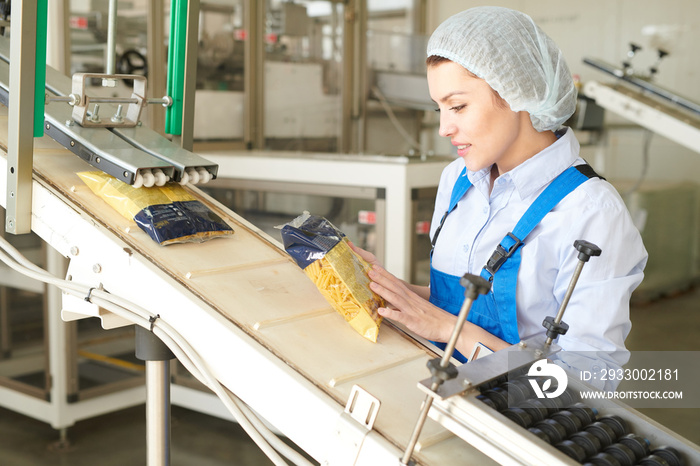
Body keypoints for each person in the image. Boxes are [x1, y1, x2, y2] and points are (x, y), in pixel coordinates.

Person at [352, 6, 647, 380]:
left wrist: (448, 330)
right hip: (437, 392)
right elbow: (455, 304)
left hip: (521, 422)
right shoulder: (457, 180)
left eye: (457, 106)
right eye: (439, 108)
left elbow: (586, 381)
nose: (444, 127)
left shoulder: (592, 213)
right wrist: (391, 291)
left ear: (516, 91)